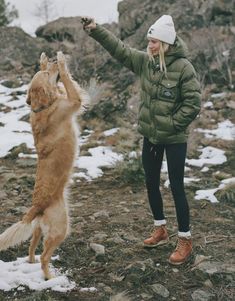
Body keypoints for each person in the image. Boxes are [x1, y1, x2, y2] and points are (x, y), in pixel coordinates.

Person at [82, 15, 201, 265]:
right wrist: (96, 29)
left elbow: (193, 104)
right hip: (151, 136)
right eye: (149, 41)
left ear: (166, 42)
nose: (150, 45)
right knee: (150, 181)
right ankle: (160, 228)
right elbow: (120, 49)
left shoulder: (183, 67)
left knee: (177, 187)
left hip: (174, 138)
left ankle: (185, 239)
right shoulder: (146, 62)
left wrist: (170, 124)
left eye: (155, 41)